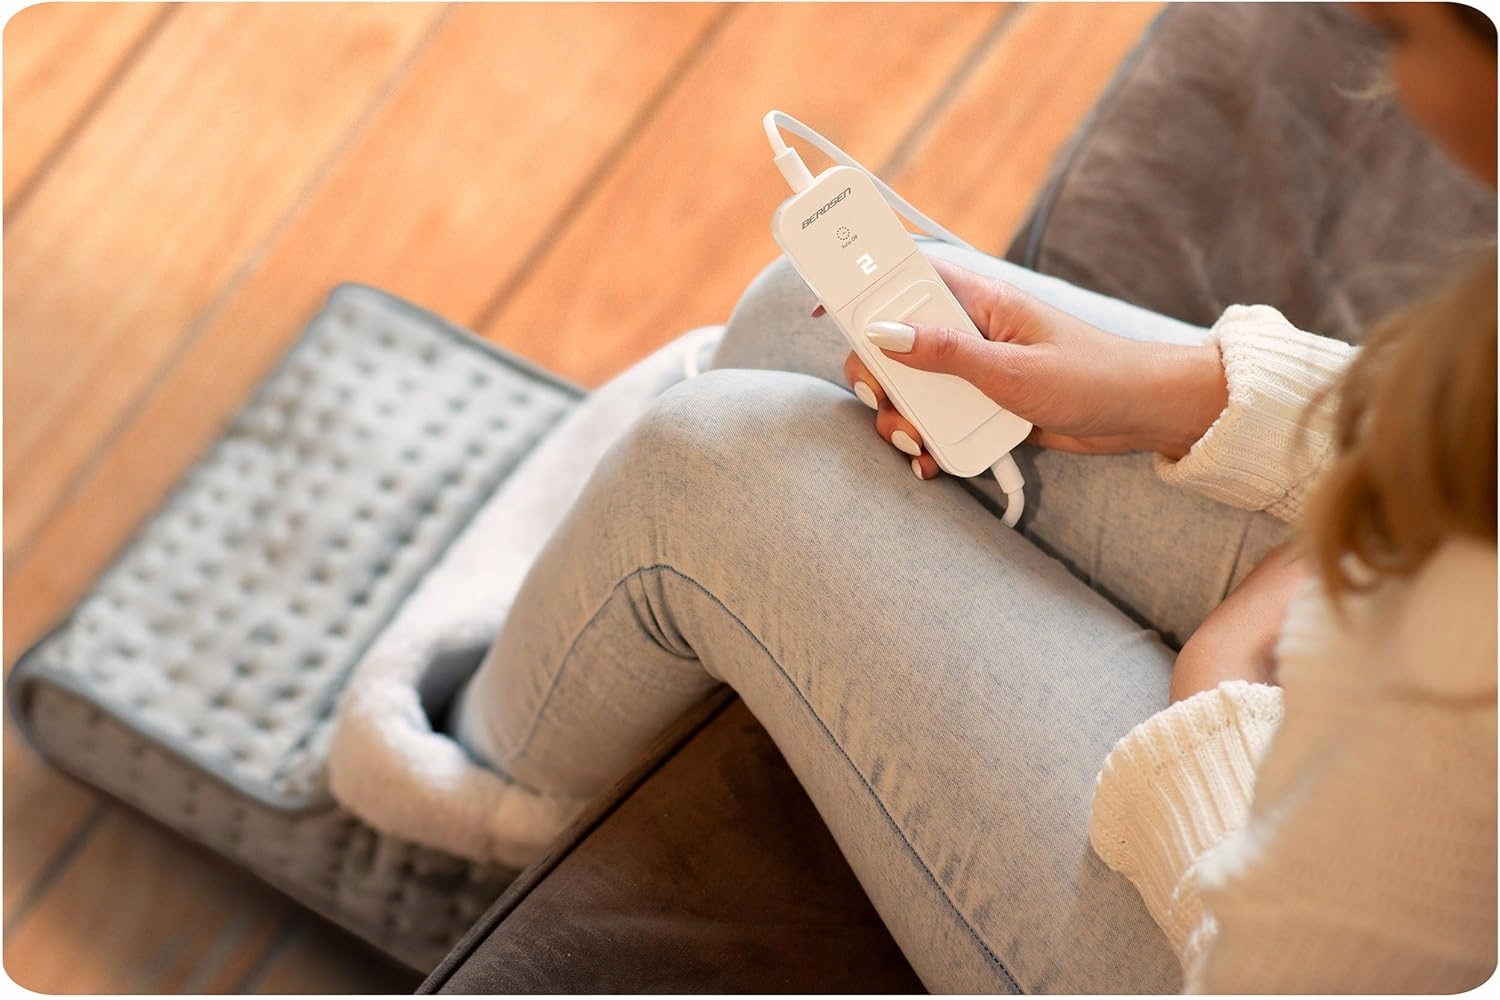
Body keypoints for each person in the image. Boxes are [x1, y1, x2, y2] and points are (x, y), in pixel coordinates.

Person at [449, 3, 1497, 990]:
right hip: (1411, 565)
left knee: (700, 465)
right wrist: (1177, 394)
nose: (1378, 50)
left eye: (1400, 32)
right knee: (810, 313)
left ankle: (463, 807)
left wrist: (1221, 678)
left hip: (1264, 912)